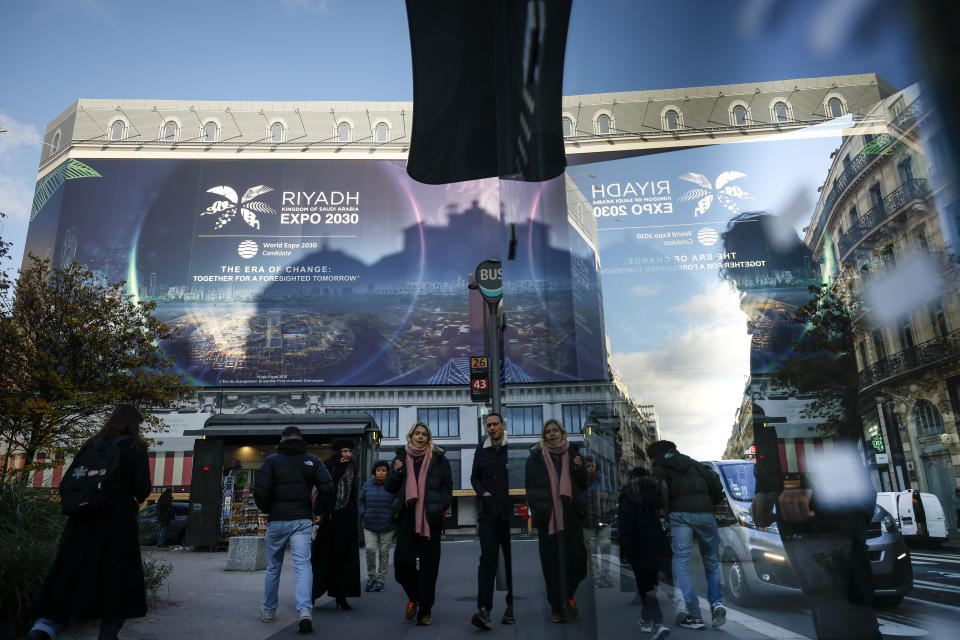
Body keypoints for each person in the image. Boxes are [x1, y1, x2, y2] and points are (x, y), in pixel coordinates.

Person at [26, 404, 152, 640]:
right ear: (133, 423)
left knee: (69, 574)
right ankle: (108, 634)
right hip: (116, 524)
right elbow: (143, 488)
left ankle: (44, 628)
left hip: (81, 522)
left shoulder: (91, 445)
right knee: (117, 579)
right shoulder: (135, 447)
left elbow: (68, 482)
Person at [254, 425, 334, 634]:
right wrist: (319, 511)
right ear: (301, 439)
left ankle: (269, 610)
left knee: (273, 567)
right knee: (303, 565)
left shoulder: (271, 461)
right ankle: (305, 610)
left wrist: (269, 509)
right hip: (302, 519)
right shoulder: (312, 461)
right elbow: (328, 488)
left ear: (281, 440)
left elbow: (260, 491)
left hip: (278, 520)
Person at [647, 439, 725, 630]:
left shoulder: (659, 466)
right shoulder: (694, 463)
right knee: (711, 561)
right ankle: (717, 603)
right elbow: (716, 485)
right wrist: (710, 505)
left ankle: (695, 615)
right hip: (706, 515)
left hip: (680, 515)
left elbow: (663, 488)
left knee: (681, 562)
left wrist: (664, 510)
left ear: (654, 455)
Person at [386, 422, 453, 626]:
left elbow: (447, 487)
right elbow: (390, 487)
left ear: (428, 438)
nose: (421, 437)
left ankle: (425, 610)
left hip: (429, 518)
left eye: (424, 434)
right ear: (410, 436)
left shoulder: (439, 459)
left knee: (429, 567)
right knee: (401, 564)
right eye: (417, 433)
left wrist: (439, 505)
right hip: (406, 516)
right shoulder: (400, 458)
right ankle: (415, 597)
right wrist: (395, 472)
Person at [524, 419, 588, 623]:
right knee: (551, 566)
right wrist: (539, 508)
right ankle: (557, 607)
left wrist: (579, 469)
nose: (552, 434)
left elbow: (584, 484)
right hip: (548, 517)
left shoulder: (574, 454)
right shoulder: (536, 457)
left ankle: (568, 593)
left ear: (563, 433)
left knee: (578, 563)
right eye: (548, 432)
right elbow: (530, 487)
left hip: (571, 516)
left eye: (555, 431)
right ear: (544, 436)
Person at [470, 412, 515, 630]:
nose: (492, 428)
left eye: (495, 424)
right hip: (488, 515)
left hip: (508, 515)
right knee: (487, 560)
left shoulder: (511, 448)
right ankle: (484, 610)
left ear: (503, 425)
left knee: (510, 563)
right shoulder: (481, 449)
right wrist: (483, 493)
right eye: (488, 425)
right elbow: (474, 477)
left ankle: (510, 608)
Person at [619, 466, 670, 640]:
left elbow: (625, 525)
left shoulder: (627, 495)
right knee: (651, 583)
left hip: (637, 544)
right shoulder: (654, 493)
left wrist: (624, 552)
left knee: (644, 586)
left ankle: (658, 622)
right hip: (655, 541)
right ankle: (646, 619)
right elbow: (662, 512)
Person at [312, 438, 362, 610]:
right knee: (322, 555)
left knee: (345, 557)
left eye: (350, 451)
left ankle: (341, 596)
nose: (348, 454)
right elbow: (325, 487)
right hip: (330, 518)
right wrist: (319, 513)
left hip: (347, 517)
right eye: (344, 451)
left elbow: (352, 493)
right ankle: (312, 594)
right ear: (338, 452)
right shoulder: (328, 466)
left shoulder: (353, 467)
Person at [359, 460, 396, 592]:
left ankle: (381, 580)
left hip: (387, 525)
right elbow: (361, 501)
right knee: (370, 549)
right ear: (374, 472)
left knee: (384, 552)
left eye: (383, 470)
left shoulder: (392, 485)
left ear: (387, 472)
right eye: (378, 470)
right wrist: (363, 513)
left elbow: (397, 502)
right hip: (369, 524)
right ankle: (371, 577)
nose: (380, 473)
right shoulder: (368, 484)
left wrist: (393, 517)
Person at [582, 458, 612, 588]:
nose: (590, 468)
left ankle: (605, 574)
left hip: (604, 519)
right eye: (587, 466)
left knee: (605, 545)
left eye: (592, 466)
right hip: (587, 520)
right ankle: (597, 576)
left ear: (596, 467)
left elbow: (611, 496)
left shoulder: (604, 481)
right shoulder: (581, 481)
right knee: (592, 549)